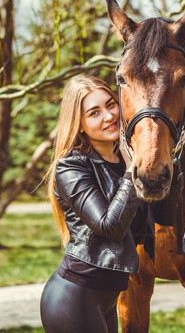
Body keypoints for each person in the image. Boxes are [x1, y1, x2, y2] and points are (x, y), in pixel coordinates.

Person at [40, 74, 148, 333]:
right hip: (73, 299)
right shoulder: (71, 167)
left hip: (106, 299)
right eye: (94, 112)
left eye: (111, 104)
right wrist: (133, 170)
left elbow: (160, 219)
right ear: (79, 124)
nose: (109, 116)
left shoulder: (123, 158)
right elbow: (109, 227)